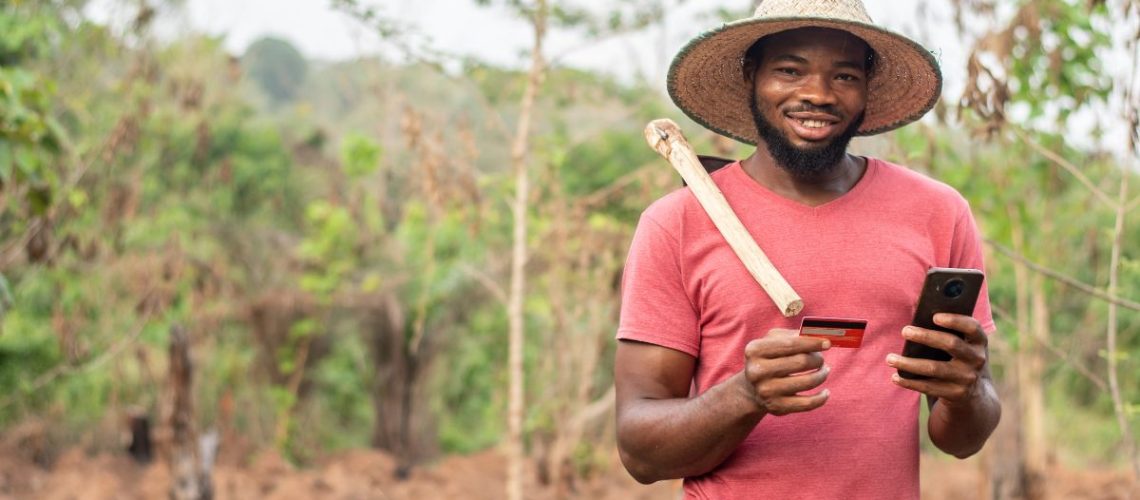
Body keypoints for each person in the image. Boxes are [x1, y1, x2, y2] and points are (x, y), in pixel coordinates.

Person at [613, 1, 1002, 499]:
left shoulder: (937, 212)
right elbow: (640, 454)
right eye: (790, 70)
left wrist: (969, 393)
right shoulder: (678, 223)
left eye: (843, 76)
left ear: (867, 88)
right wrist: (743, 395)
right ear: (751, 76)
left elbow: (963, 440)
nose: (817, 94)